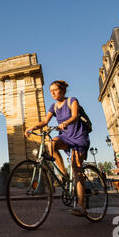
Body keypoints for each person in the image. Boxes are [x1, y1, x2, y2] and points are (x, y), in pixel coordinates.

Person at [25, 80, 90, 217]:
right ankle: (64, 174)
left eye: (55, 90)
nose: (53, 93)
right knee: (51, 144)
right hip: (66, 137)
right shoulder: (53, 107)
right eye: (51, 91)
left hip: (79, 137)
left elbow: (75, 115)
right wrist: (33, 127)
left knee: (77, 169)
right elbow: (44, 122)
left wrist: (65, 122)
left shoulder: (72, 100)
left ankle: (81, 206)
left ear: (63, 91)